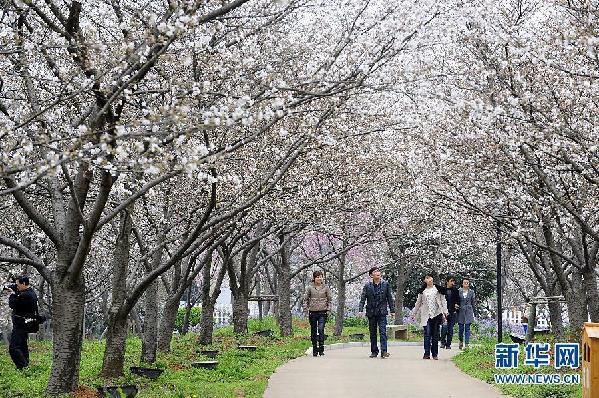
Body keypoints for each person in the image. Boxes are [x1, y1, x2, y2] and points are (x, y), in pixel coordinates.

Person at [358, 267, 395, 359]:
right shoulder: (367, 286)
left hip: (382, 312)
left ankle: (384, 351)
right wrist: (360, 310)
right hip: (371, 312)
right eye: (375, 272)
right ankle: (374, 351)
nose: (378, 273)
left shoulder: (386, 284)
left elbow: (389, 298)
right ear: (371, 275)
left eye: (378, 271)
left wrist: (392, 310)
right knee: (373, 333)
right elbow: (363, 298)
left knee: (383, 332)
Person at [3, 276, 38, 369]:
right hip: (25, 323)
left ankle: (22, 366)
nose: (16, 286)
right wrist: (12, 288)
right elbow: (17, 290)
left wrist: (11, 294)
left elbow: (12, 304)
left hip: (21, 324)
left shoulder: (26, 295)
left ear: (23, 284)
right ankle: (25, 364)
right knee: (22, 345)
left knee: (13, 347)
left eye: (18, 285)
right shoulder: (30, 292)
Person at [411, 272, 448, 360]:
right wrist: (414, 313)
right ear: (424, 280)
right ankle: (427, 353)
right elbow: (418, 303)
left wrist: (445, 312)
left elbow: (443, 301)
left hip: (436, 314)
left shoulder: (438, 289)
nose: (429, 279)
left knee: (435, 335)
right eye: (427, 278)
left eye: (430, 277)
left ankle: (435, 354)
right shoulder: (422, 291)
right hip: (426, 315)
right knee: (427, 334)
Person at [303, 270, 332, 357]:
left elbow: (330, 299)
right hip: (312, 312)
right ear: (314, 278)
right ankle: (315, 348)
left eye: (321, 276)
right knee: (313, 331)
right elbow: (305, 299)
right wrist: (306, 309)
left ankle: (321, 348)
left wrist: (329, 309)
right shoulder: (309, 288)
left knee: (321, 329)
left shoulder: (326, 288)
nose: (319, 278)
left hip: (323, 312)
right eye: (317, 277)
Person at [440, 275, 459, 349]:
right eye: (451, 281)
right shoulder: (442, 290)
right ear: (447, 282)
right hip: (444, 312)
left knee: (450, 329)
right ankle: (442, 342)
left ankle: (448, 344)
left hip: (452, 312)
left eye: (453, 281)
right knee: (444, 328)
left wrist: (457, 305)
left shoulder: (456, 291)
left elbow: (458, 300)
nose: (453, 283)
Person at [457, 278, 476, 349]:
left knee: (467, 328)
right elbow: (456, 300)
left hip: (469, 311)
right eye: (464, 282)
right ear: (462, 284)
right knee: (461, 328)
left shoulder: (471, 292)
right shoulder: (459, 291)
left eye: (467, 283)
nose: (466, 284)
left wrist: (474, 312)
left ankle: (467, 343)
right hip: (461, 310)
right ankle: (461, 341)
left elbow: (473, 302)